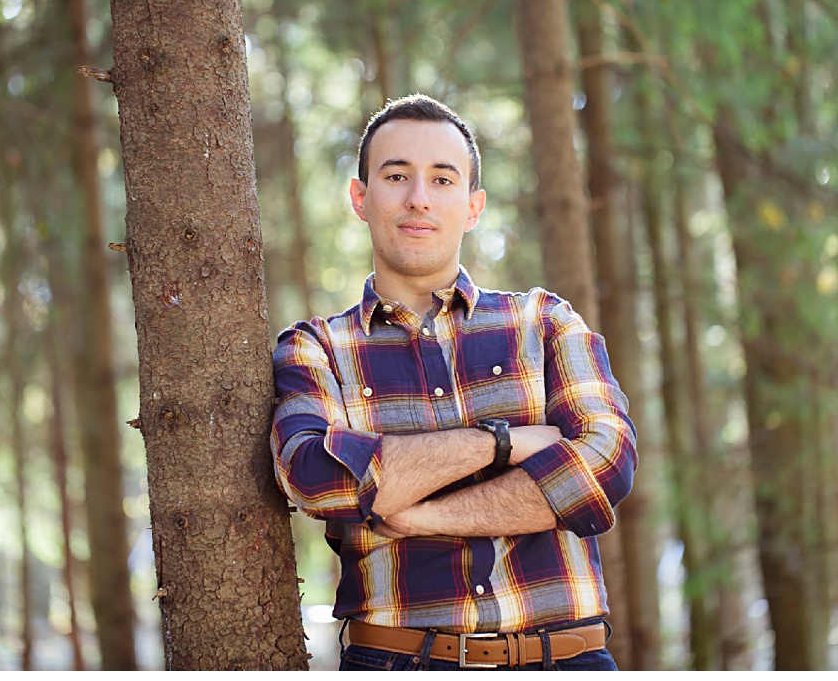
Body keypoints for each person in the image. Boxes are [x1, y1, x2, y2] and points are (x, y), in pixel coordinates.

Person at [270, 95, 635, 671]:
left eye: (443, 179)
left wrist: (419, 514)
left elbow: (605, 467)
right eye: (397, 176)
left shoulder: (544, 323)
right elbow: (317, 479)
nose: (419, 198)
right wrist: (504, 443)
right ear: (360, 198)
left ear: (472, 206)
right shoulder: (316, 349)